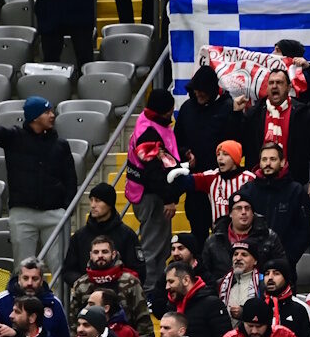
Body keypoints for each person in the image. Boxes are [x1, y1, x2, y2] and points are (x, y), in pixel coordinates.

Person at [0, 99, 76, 270]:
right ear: (34, 117)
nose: (52, 115)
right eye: (47, 112)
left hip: (55, 213)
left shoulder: (61, 145)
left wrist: (66, 208)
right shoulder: (15, 138)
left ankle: (58, 291)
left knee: (59, 268)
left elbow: (71, 179)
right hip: (22, 214)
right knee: (23, 268)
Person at [124, 88, 180, 293]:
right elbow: (153, 172)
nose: (171, 113)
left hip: (150, 194)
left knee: (161, 248)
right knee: (153, 249)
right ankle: (148, 292)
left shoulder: (150, 122)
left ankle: (157, 290)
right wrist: (168, 199)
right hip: (151, 197)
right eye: (170, 110)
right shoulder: (148, 132)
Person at [173, 67, 236, 242]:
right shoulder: (187, 108)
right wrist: (185, 152)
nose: (198, 93)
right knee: (198, 232)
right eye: (196, 90)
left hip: (223, 182)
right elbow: (176, 140)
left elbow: (237, 140)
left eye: (202, 90)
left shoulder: (228, 107)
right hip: (196, 182)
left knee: (225, 236)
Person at [238, 69, 310, 187]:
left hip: (294, 183)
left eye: (279, 82)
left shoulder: (303, 113)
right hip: (259, 182)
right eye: (271, 83)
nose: (274, 86)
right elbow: (239, 143)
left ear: (289, 87)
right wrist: (235, 115)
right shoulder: (254, 113)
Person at [236, 144, 310, 265]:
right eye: (264, 159)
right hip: (251, 263)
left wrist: (288, 258)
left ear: (282, 162)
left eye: (273, 159)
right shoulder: (248, 190)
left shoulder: (296, 191)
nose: (268, 163)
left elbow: (306, 229)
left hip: (284, 264)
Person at [68, 236, 153, 337]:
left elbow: (143, 319)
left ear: (113, 254)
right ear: (90, 255)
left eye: (104, 252)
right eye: (96, 252)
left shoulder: (130, 282)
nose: (100, 255)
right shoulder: (81, 284)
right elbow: (73, 323)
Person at [62, 183, 145, 291]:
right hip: (88, 295)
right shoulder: (79, 236)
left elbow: (138, 270)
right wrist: (87, 284)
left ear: (109, 204)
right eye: (91, 200)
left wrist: (113, 284)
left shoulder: (127, 235)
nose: (92, 205)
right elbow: (69, 271)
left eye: (97, 201)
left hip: (119, 295)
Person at [201, 192, 287, 289]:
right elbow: (205, 274)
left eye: (247, 208)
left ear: (253, 213)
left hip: (260, 292)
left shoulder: (269, 237)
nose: (243, 212)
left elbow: (282, 270)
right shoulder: (213, 240)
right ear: (230, 213)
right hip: (220, 292)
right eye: (238, 208)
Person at [164, 262, 230, 337]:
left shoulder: (211, 304)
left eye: (171, 282)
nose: (167, 287)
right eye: (166, 282)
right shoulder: (172, 307)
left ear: (186, 280)